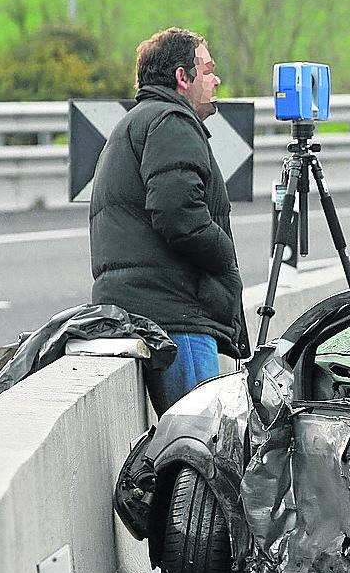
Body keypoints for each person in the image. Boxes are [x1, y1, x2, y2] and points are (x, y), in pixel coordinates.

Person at [88, 27, 250, 415]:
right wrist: (225, 254)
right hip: (177, 314)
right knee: (200, 436)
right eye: (207, 70)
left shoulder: (138, 121)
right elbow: (180, 218)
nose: (216, 80)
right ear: (182, 77)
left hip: (151, 305)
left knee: (186, 437)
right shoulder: (171, 122)